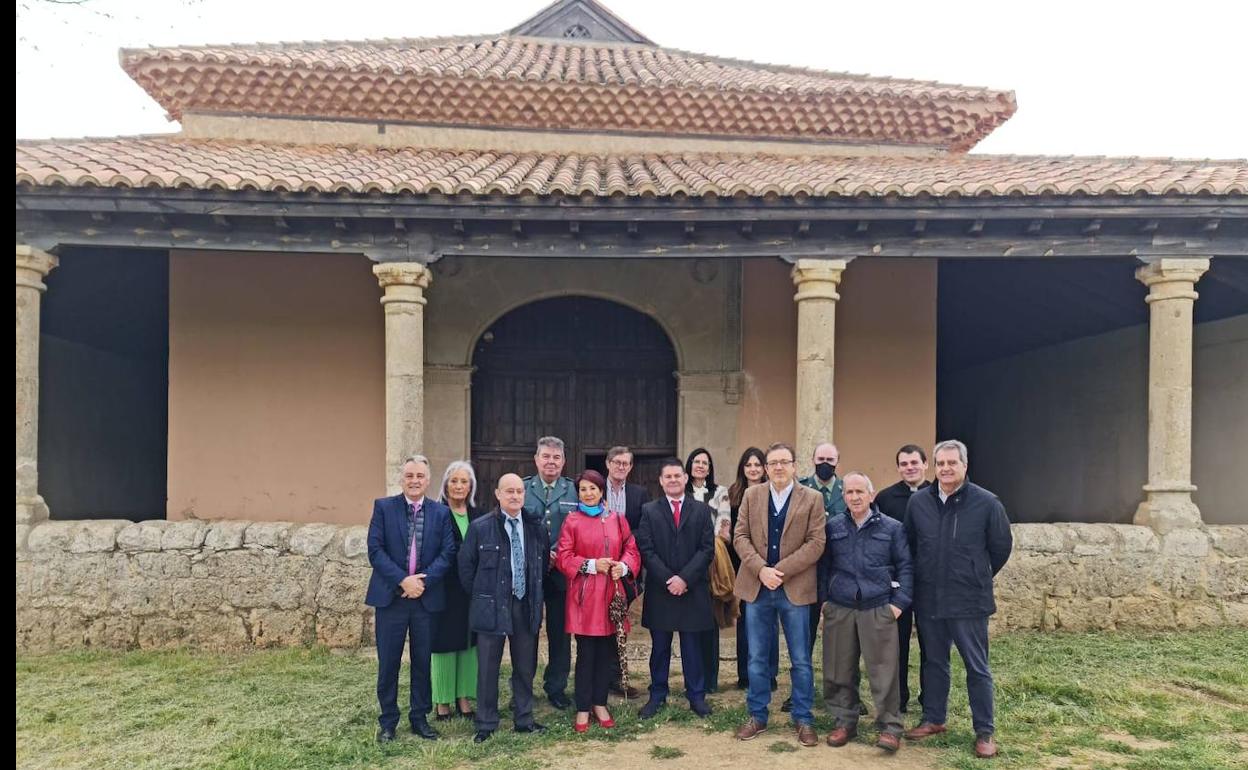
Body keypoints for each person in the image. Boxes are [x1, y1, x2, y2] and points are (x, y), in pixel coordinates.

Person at [903, 440, 1013, 760]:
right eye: (941, 464)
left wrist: (976, 573)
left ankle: (984, 731)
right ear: (934, 467)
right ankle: (934, 718)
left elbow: (1000, 548)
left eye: (952, 463)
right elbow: (910, 545)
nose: (946, 469)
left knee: (976, 667)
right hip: (929, 598)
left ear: (965, 466)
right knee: (933, 662)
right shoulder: (919, 503)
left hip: (968, 600)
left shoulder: (987, 503)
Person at [732, 443, 826, 748]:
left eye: (784, 462)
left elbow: (816, 543)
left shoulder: (812, 498)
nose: (778, 467)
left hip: (794, 588)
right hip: (757, 587)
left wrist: (779, 571)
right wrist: (761, 569)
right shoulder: (751, 495)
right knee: (757, 658)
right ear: (767, 467)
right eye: (773, 463)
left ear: (795, 466)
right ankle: (757, 715)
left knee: (800, 659)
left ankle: (803, 717)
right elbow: (740, 536)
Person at [365, 455, 457, 743]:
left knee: (422, 661)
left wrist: (421, 582)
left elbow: (448, 553)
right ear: (401, 479)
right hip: (391, 598)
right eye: (409, 476)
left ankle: (420, 718)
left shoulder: (441, 513)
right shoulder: (383, 508)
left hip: (424, 599)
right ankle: (388, 721)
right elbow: (375, 550)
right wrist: (402, 580)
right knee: (389, 662)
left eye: (420, 476)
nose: (415, 480)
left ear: (428, 481)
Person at [820, 472, 913, 753]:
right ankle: (844, 722)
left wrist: (898, 604)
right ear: (844, 497)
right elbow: (823, 568)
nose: (855, 497)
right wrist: (825, 602)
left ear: (872, 495)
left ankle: (890, 727)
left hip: (878, 607)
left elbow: (906, 566)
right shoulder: (833, 526)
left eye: (860, 492)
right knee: (838, 669)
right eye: (849, 492)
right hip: (841, 607)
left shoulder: (892, 528)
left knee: (883, 671)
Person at [458, 473, 549, 744]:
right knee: (488, 666)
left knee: (524, 665)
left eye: (519, 491)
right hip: (492, 606)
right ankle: (486, 722)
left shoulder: (535, 527)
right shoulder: (480, 527)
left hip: (524, 605)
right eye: (509, 491)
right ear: (497, 494)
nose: (515, 496)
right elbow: (465, 568)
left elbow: (541, 566)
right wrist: (483, 596)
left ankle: (524, 719)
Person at [555, 470, 641, 733]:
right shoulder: (572, 521)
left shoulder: (617, 519)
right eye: (583, 489)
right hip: (584, 598)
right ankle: (583, 706)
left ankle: (600, 703)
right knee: (585, 654)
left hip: (611, 596)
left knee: (606, 653)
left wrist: (624, 567)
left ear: (601, 491)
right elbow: (563, 556)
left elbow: (631, 548)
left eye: (593, 488)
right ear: (578, 493)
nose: (588, 493)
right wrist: (591, 564)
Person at [636, 458, 716, 719]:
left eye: (677, 476)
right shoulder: (649, 510)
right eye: (667, 476)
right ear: (661, 481)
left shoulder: (702, 510)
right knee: (660, 648)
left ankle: (696, 695)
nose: (672, 480)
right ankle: (657, 694)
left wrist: (684, 579)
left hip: (692, 590)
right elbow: (646, 550)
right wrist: (669, 579)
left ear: (685, 479)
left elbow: (707, 549)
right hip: (661, 590)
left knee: (692, 647)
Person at [873, 444, 932, 714]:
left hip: (930, 583)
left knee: (931, 644)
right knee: (896, 644)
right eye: (904, 463)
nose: (910, 467)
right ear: (898, 468)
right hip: (896, 583)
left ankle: (929, 698)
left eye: (914, 463)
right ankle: (899, 698)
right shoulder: (885, 498)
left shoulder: (937, 495)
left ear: (925, 464)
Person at [522, 436, 578, 710]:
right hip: (530, 570)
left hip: (561, 571)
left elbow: (577, 528)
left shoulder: (573, 491)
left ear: (563, 461)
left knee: (560, 631)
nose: (551, 462)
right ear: (536, 459)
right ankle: (522, 688)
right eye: (546, 456)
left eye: (556, 457)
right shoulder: (522, 488)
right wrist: (542, 554)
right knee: (527, 630)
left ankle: (556, 687)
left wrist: (558, 554)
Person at [431, 461, 483, 721]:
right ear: (446, 485)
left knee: (468, 642)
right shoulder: (436, 513)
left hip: (471, 589)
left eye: (464, 481)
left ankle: (463, 697)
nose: (459, 486)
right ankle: (442, 702)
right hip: (444, 588)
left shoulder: (478, 514)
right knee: (444, 642)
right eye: (454, 481)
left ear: (471, 486)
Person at [726, 447, 778, 692]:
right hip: (742, 566)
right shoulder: (732, 495)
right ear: (742, 468)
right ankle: (745, 674)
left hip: (768, 567)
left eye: (758, 464)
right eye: (749, 465)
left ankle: (770, 673)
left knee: (769, 622)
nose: (754, 469)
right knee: (745, 622)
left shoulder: (773, 494)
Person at [604, 445, 650, 698]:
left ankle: (620, 679)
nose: (621, 466)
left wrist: (627, 559)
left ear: (631, 467)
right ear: (608, 463)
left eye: (626, 463)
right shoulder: (597, 490)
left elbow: (643, 529)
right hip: (600, 568)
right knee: (601, 626)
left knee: (619, 624)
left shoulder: (639, 493)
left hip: (626, 570)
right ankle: (602, 678)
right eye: (617, 462)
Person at [684, 447, 730, 692]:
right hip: (684, 563)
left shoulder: (720, 492)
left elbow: (724, 526)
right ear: (689, 465)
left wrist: (705, 549)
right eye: (696, 461)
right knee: (690, 624)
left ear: (710, 468)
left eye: (705, 463)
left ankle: (710, 680)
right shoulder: (682, 490)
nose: (700, 466)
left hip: (710, 562)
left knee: (710, 623)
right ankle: (692, 679)